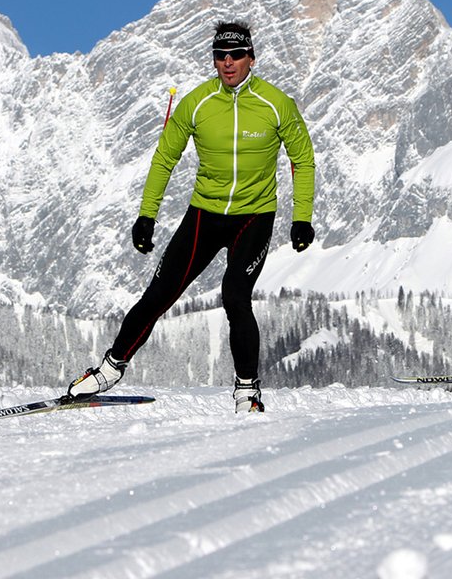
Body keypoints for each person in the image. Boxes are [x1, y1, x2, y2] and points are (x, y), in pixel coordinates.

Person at [69, 21, 316, 412]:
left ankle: (247, 389)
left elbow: (302, 160)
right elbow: (165, 156)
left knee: (235, 295)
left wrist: (301, 217)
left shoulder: (276, 103)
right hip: (205, 215)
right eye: (220, 56)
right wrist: (146, 215)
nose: (228, 63)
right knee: (160, 293)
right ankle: (110, 368)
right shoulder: (197, 102)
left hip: (254, 217)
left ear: (252, 57)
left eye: (236, 55)